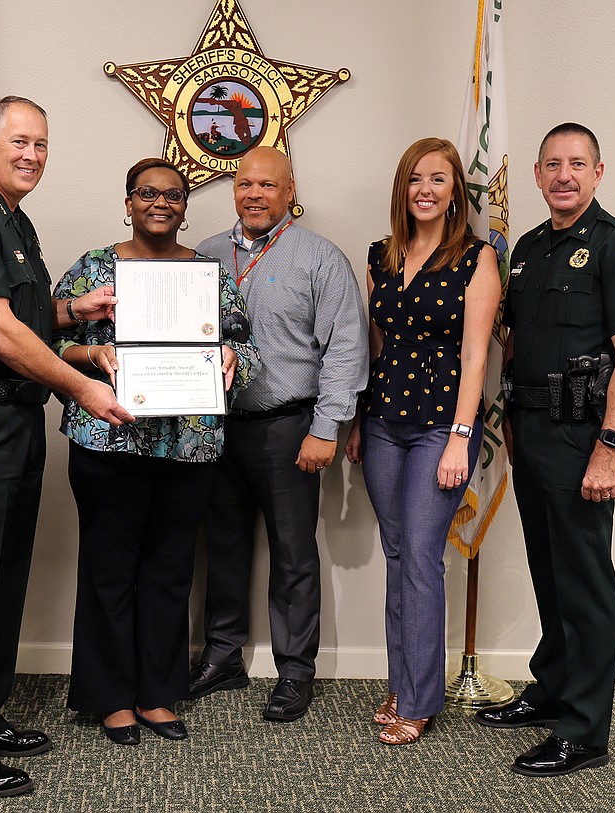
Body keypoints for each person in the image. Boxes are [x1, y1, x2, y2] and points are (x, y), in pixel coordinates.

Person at [0, 96, 133, 797]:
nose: (32, 155)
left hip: (13, 422)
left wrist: (75, 310)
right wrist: (81, 386)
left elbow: (24, 313)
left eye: (41, 144)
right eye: (19, 142)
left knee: (3, 582)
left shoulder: (14, 219)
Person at [52, 158, 258, 746]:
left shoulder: (210, 276)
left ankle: (157, 693)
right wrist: (92, 358)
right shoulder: (94, 267)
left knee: (169, 572)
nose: (160, 203)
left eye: (173, 194)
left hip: (188, 444)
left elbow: (247, 349)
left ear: (186, 206)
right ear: (128, 201)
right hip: (108, 440)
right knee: (109, 569)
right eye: (147, 193)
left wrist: (233, 362)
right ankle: (112, 697)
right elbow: (48, 340)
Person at [474, 123, 615, 776]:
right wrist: (514, 426)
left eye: (577, 164)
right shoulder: (525, 249)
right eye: (552, 164)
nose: (564, 175)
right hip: (532, 430)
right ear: (537, 174)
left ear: (598, 173)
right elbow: (518, 343)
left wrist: (610, 447)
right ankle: (551, 689)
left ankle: (585, 730)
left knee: (585, 585)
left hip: (584, 437)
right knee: (550, 573)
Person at [190, 146, 368, 722]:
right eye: (245, 184)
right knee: (222, 546)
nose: (255, 194)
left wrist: (326, 429)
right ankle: (222, 655)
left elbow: (345, 348)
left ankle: (295, 670)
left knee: (293, 553)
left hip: (291, 426)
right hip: (217, 428)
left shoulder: (320, 259)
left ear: (290, 191)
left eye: (268, 185)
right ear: (233, 190)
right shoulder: (207, 255)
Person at [344, 138, 500, 745]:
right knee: (398, 553)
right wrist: (360, 419)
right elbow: (376, 344)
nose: (425, 190)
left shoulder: (477, 258)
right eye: (415, 179)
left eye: (438, 179)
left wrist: (462, 437)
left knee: (421, 557)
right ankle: (404, 678)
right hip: (384, 422)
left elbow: (476, 354)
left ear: (456, 189)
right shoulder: (380, 255)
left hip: (441, 424)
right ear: (402, 189)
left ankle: (419, 698)